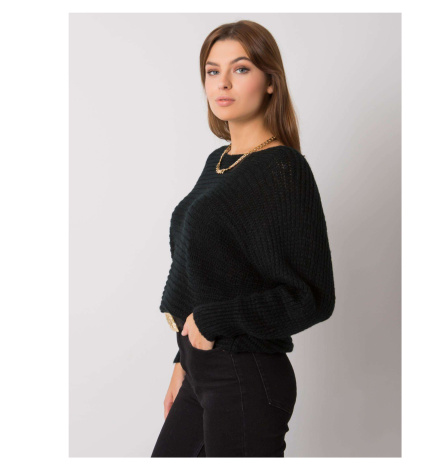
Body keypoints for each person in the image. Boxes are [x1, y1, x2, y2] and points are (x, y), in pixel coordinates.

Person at [151, 19, 336, 457]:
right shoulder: (218, 161)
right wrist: (182, 360)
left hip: (245, 374)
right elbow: (208, 275)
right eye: (212, 71)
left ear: (271, 82)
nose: (223, 83)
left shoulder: (284, 169)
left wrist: (213, 321)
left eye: (241, 69)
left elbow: (312, 297)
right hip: (200, 370)